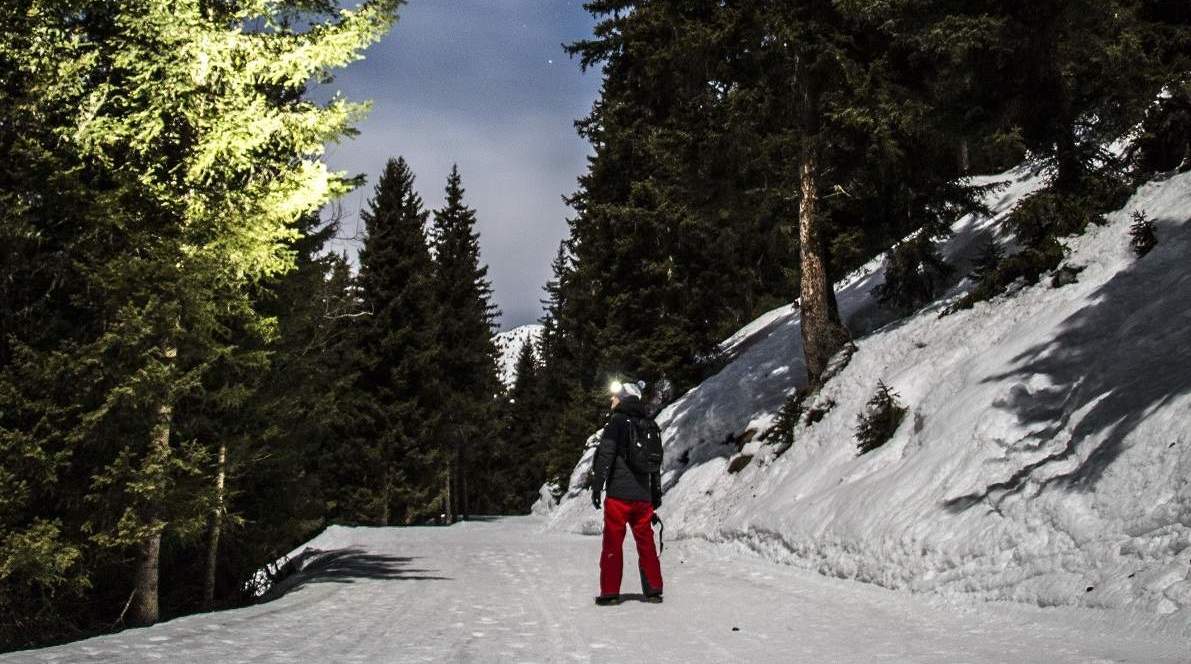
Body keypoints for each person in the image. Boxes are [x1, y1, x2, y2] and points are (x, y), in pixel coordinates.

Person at [590, 379, 664, 606]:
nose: (611, 399)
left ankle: (610, 592)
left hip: (619, 496)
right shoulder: (649, 423)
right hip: (642, 497)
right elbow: (655, 464)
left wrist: (597, 486)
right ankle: (653, 589)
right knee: (646, 541)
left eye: (615, 396)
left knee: (613, 542)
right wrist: (655, 494)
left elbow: (606, 455)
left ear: (623, 398)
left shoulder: (617, 422)